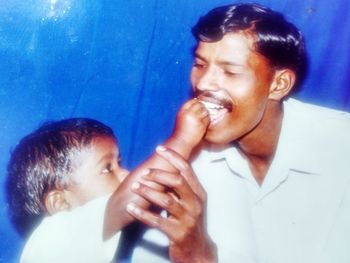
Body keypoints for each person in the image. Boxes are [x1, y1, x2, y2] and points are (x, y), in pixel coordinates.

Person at [126, 3, 350, 263]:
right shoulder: (190, 163)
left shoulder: (341, 148)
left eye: (230, 71)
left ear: (278, 85)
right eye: (199, 64)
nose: (204, 83)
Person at [6, 97, 212, 262]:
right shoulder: (54, 236)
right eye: (107, 169)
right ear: (60, 203)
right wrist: (183, 138)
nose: (125, 174)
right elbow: (128, 199)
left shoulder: (88, 245)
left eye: (119, 164)